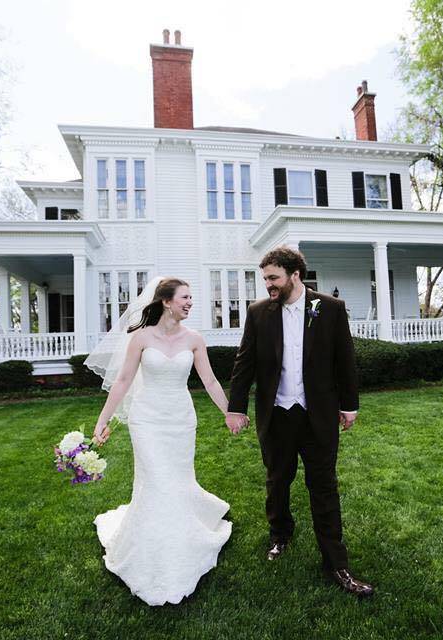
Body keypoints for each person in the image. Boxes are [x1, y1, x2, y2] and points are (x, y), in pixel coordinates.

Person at [225, 246, 374, 598]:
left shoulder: (330, 308)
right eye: (265, 279)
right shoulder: (258, 312)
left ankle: (336, 562)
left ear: (295, 275)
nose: (268, 286)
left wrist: (349, 405)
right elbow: (244, 362)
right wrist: (236, 407)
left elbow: (345, 359)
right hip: (277, 413)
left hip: (317, 413)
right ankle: (280, 536)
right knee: (277, 480)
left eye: (273, 278)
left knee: (323, 485)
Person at [86, 277, 232, 606]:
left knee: (177, 481)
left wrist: (229, 411)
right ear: (166, 301)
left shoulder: (195, 339)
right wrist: (102, 420)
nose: (190, 302)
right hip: (147, 420)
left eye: (191, 298)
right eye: (185, 297)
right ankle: (149, 550)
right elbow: (123, 380)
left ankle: (181, 543)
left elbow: (208, 379)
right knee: (155, 481)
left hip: (180, 419)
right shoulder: (140, 337)